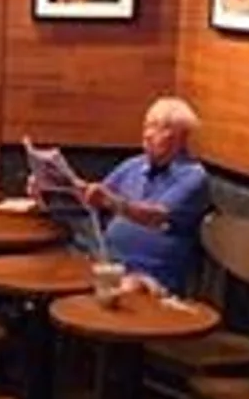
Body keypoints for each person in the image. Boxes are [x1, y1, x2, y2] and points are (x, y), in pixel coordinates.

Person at [32, 96, 212, 295]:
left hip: (149, 275)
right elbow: (93, 199)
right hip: (104, 261)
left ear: (182, 137)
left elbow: (155, 216)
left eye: (160, 128)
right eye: (146, 126)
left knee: (115, 293)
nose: (148, 135)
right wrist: (51, 188)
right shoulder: (133, 165)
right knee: (48, 270)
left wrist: (112, 201)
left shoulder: (193, 176)